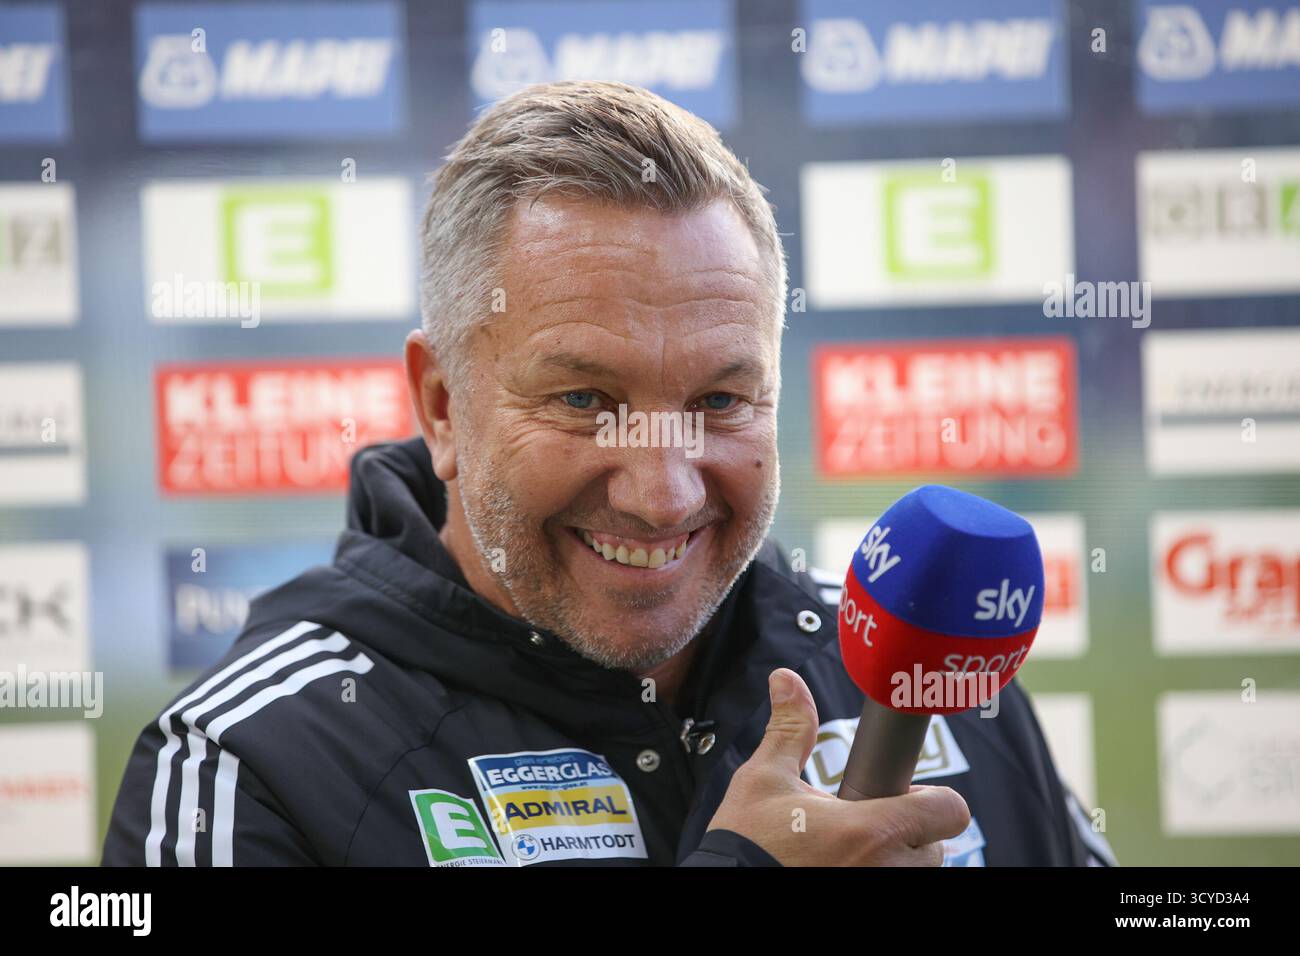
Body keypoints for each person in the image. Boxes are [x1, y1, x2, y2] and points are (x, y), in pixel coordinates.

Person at [102, 80, 1115, 867]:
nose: (663, 491)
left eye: (719, 401)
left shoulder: (922, 681)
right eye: (584, 401)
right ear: (443, 404)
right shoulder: (251, 758)